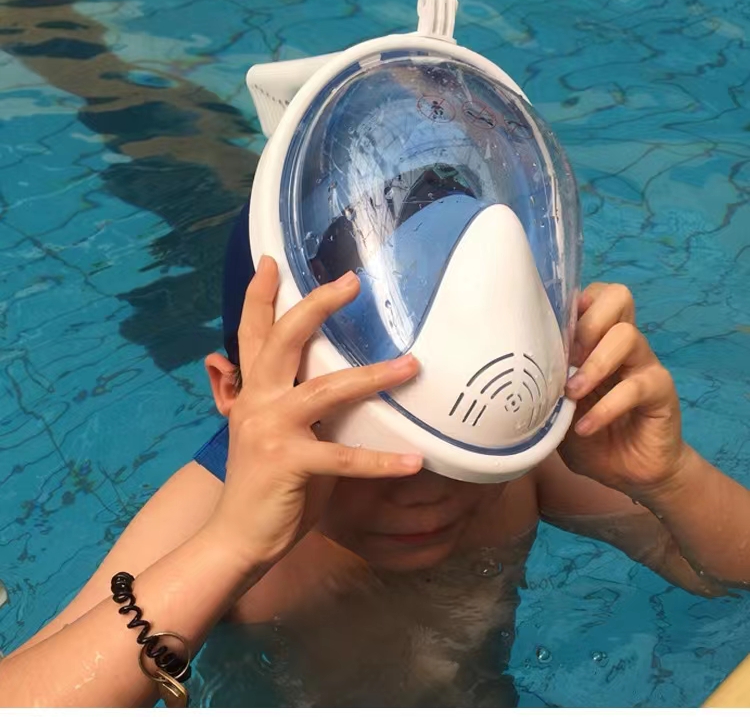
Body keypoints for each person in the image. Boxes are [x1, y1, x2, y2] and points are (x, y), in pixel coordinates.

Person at [1, 204, 749, 708]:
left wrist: (669, 477)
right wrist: (230, 549)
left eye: (457, 447)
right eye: (364, 440)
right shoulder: (212, 513)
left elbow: (724, 576)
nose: (420, 488)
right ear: (233, 394)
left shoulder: (525, 460)